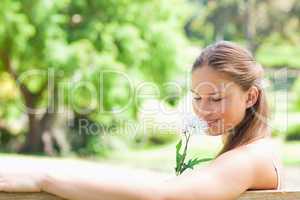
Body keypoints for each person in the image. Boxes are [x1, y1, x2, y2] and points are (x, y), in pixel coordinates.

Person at [0, 41, 282, 200]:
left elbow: (164, 196)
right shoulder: (252, 151)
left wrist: (45, 179)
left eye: (216, 98)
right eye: (197, 98)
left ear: (250, 97)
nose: (204, 109)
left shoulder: (248, 158)